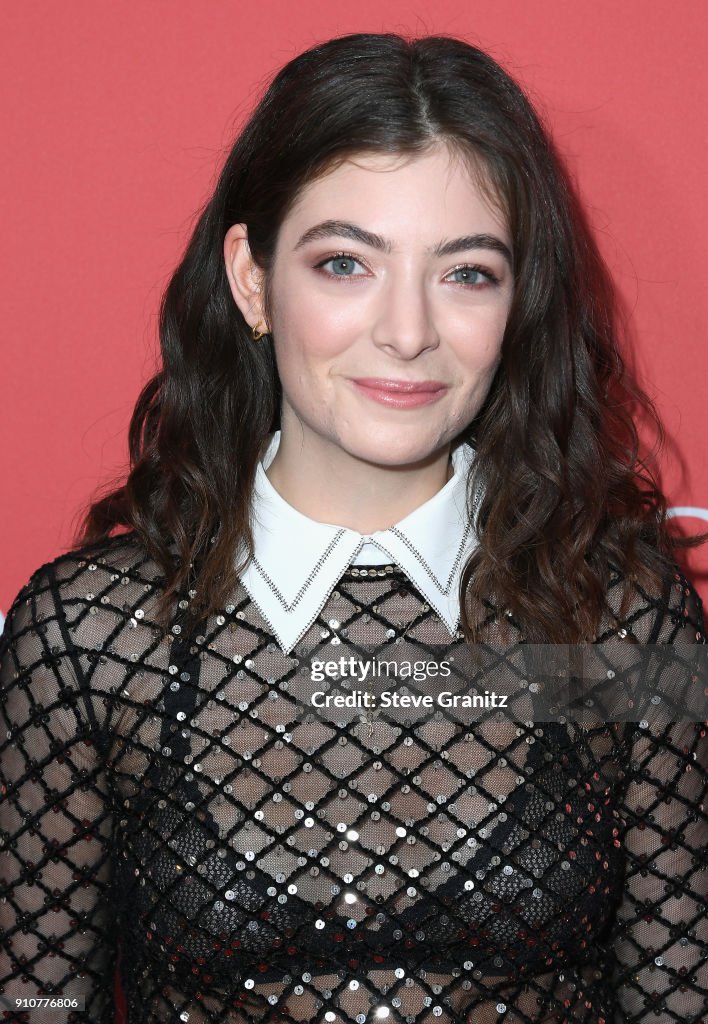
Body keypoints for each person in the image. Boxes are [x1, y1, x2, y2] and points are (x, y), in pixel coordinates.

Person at [1, 31, 706, 1024]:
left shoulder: (630, 627)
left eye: (467, 273)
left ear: (517, 301)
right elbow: (34, 1001)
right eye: (345, 264)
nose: (408, 331)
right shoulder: (87, 640)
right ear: (252, 277)